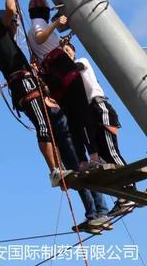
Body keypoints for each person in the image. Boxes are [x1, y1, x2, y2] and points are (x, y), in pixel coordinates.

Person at [0, 0, 63, 186]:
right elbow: (11, 10)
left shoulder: (2, 43)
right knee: (44, 125)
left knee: (47, 125)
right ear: (6, 23)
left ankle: (58, 168)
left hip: (22, 87)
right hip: (24, 85)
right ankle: (55, 170)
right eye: (14, 23)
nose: (16, 27)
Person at [26, 0, 93, 167]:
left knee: (71, 118)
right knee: (83, 110)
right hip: (62, 67)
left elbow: (41, 44)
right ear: (44, 12)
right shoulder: (39, 24)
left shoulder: (30, 31)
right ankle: (94, 155)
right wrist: (56, 23)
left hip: (52, 74)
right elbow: (40, 37)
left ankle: (83, 161)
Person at [46, 99, 113, 233]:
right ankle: (97, 214)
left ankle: (99, 213)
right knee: (79, 177)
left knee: (80, 176)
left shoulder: (55, 108)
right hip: (65, 138)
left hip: (67, 138)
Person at [64, 43, 130, 178]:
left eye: (67, 50)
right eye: (63, 52)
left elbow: (77, 67)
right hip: (88, 113)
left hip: (99, 106)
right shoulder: (69, 75)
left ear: (73, 51)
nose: (65, 53)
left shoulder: (82, 61)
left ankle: (129, 183)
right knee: (102, 154)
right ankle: (121, 186)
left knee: (111, 152)